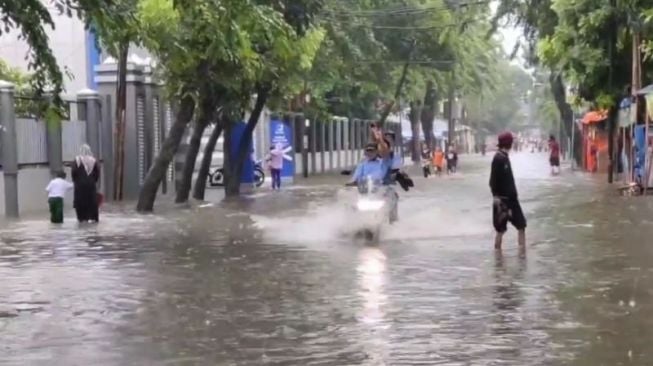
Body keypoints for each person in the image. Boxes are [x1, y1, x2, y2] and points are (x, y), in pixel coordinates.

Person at [489, 132, 526, 250]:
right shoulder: (499, 158)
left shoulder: (504, 157)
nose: (513, 143)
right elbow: (493, 181)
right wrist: (497, 197)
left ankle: (519, 253)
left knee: (520, 225)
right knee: (501, 229)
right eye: (511, 141)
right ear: (508, 143)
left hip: (510, 199)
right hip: (504, 200)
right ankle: (502, 253)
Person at [71, 144, 100, 223]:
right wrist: (93, 181)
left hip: (79, 185)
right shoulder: (93, 160)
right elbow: (97, 173)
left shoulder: (77, 160)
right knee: (92, 201)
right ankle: (93, 218)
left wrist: (76, 181)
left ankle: (82, 219)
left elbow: (73, 172)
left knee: (80, 202)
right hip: (91, 185)